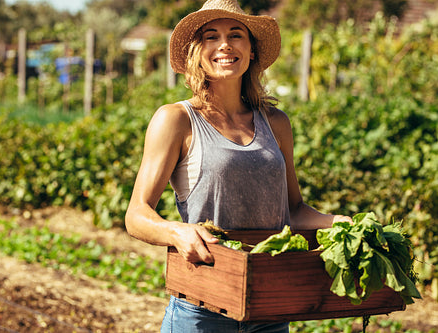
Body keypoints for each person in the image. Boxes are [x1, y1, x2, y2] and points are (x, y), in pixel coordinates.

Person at [125, 0, 352, 331]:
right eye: (210, 36)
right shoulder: (176, 120)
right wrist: (177, 231)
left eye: (236, 35)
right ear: (195, 51)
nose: (224, 45)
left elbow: (294, 210)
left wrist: (339, 222)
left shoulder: (276, 123)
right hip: (202, 304)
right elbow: (136, 215)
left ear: (252, 51)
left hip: (269, 304)